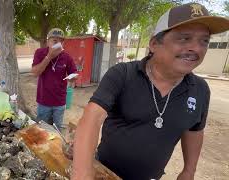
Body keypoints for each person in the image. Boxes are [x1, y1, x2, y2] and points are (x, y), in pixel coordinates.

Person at [72, 3, 229, 180]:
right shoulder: (123, 74)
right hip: (104, 172)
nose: (196, 49)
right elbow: (92, 118)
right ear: (154, 44)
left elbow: (194, 129)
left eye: (204, 41)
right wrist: (82, 173)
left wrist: (189, 170)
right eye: (184, 39)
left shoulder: (200, 89)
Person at [31, 28, 77, 128]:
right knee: (42, 130)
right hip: (43, 101)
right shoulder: (40, 53)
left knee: (57, 130)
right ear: (48, 42)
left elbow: (73, 75)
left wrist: (72, 78)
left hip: (59, 102)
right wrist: (49, 57)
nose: (58, 44)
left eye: (61, 41)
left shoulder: (67, 57)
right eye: (55, 41)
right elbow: (35, 73)